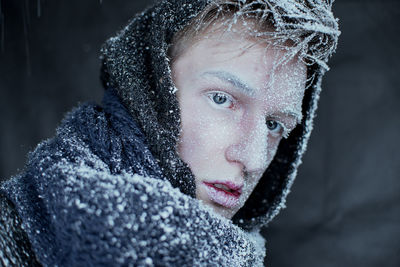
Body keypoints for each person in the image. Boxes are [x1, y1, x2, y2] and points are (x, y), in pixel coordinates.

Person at [0, 0, 339, 266]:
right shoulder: (9, 237)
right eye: (222, 99)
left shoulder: (236, 255)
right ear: (150, 89)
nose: (253, 158)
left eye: (273, 125)